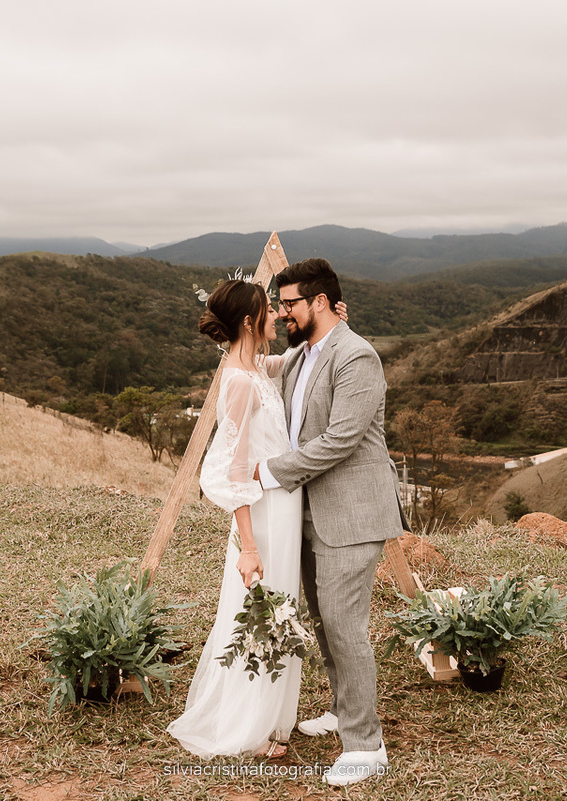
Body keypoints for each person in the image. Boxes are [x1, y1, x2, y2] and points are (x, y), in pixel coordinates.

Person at [167, 279, 347, 759]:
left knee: (280, 614)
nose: (277, 317)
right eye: (270, 310)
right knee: (263, 617)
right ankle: (253, 725)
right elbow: (236, 472)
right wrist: (249, 547)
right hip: (264, 520)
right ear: (249, 321)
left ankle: (269, 721)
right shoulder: (242, 382)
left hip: (283, 510)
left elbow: (298, 360)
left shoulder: (254, 368)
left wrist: (331, 325)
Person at [255, 257, 403, 787]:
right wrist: (239, 330)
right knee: (325, 623)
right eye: (279, 305)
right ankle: (344, 712)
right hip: (310, 511)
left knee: (345, 627)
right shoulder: (302, 355)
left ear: (319, 302)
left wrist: (268, 472)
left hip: (351, 514)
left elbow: (341, 440)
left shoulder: (356, 356)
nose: (283, 312)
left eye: (289, 303)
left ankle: (366, 746)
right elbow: (253, 369)